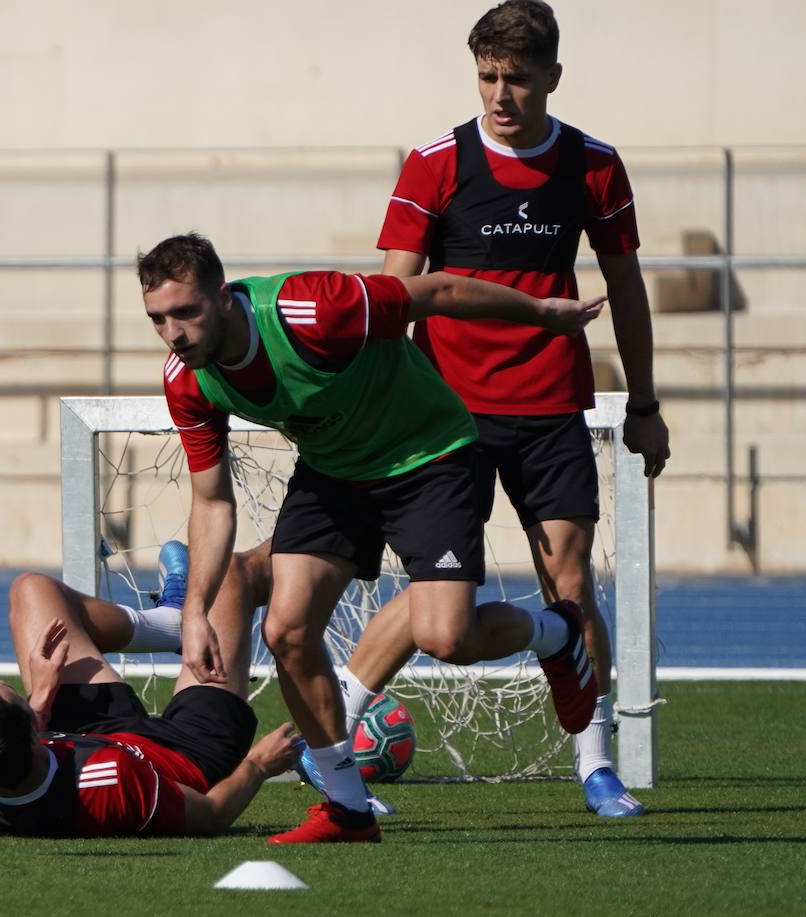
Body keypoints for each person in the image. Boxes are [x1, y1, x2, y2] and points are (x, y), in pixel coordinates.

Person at [138, 231, 603, 843]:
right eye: (158, 319)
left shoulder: (313, 310)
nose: (174, 332)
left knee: (447, 635)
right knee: (285, 630)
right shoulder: (187, 380)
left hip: (430, 457)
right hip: (332, 473)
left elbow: (437, 290)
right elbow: (212, 501)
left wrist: (542, 313)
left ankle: (557, 632)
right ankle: (347, 807)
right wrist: (195, 610)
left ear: (223, 297)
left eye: (186, 312)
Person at [376, 0, 669, 817]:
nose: (500, 95)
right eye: (487, 77)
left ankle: (596, 760)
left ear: (552, 77)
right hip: (446, 419)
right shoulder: (435, 162)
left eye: (516, 79)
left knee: (570, 580)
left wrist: (643, 403)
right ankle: (335, 740)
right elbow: (394, 297)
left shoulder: (593, 165)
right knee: (440, 608)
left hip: (548, 409)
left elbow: (628, 290)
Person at [0, 543, 305, 838]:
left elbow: (16, 773)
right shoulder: (111, 779)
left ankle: (170, 624)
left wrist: (40, 700)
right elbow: (211, 815)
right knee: (229, 574)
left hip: (84, 738)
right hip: (186, 752)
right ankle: (339, 524)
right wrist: (258, 765)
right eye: (20, 697)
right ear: (32, 736)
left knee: (32, 589)